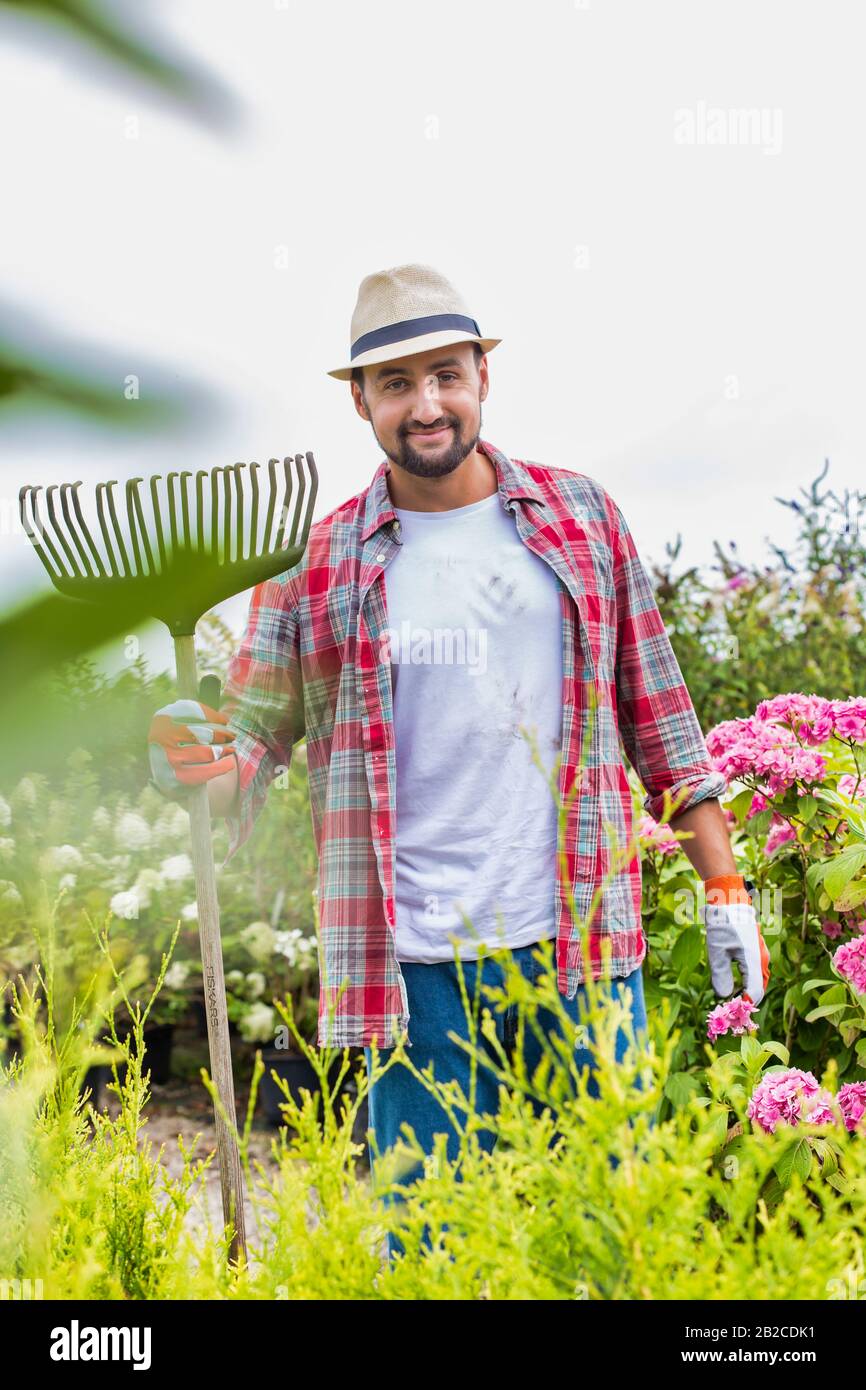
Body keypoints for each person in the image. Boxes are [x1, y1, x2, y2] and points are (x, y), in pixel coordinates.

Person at [147, 263, 771, 1262]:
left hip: (574, 948)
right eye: (394, 384)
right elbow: (252, 741)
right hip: (412, 968)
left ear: (483, 372)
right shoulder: (319, 562)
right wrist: (194, 756)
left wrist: (724, 881)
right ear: (359, 401)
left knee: (613, 1236)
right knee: (427, 1248)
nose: (425, 404)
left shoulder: (580, 520)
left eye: (445, 373)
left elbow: (659, 715)